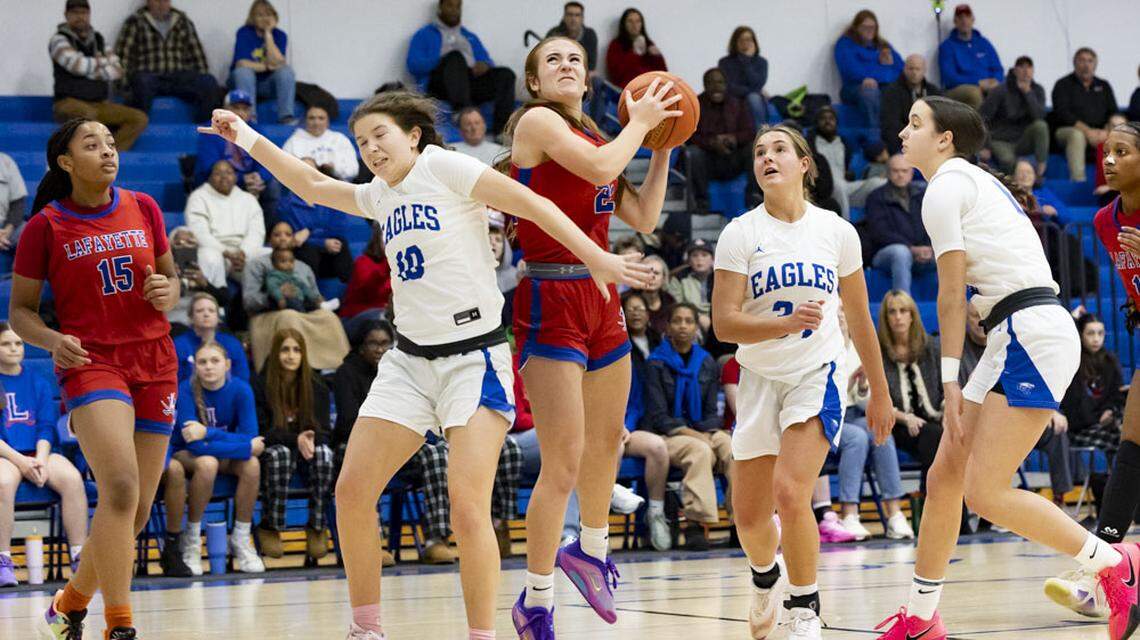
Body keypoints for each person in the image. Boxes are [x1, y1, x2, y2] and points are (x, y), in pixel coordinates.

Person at [199, 86, 647, 639]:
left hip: (473, 360)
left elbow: (535, 205)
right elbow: (311, 183)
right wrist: (243, 135)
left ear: (413, 135)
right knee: (352, 491)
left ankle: (482, 634)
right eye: (361, 142)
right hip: (409, 364)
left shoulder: (446, 167)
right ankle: (367, 628)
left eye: (380, 135)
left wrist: (597, 256)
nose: (370, 150)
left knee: (466, 507)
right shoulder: (379, 195)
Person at [872, 95, 1138, 640]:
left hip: (1029, 332)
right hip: (1016, 330)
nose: (903, 132)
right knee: (944, 474)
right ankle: (922, 616)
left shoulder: (946, 185)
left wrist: (946, 376)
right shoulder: (971, 181)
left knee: (985, 491)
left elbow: (949, 292)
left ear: (945, 138)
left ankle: (1114, 564)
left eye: (915, 123)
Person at [504, 35, 678, 636]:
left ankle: (592, 551)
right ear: (534, 82)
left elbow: (644, 218)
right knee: (563, 461)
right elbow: (604, 169)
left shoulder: (603, 136)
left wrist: (662, 147)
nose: (566, 64)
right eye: (552, 59)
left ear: (587, 77)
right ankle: (536, 597)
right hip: (548, 294)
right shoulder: (536, 125)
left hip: (602, 295)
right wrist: (643, 124)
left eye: (575, 58)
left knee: (608, 439)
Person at [711, 123, 893, 639]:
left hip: (818, 374)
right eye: (760, 152)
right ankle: (765, 577)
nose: (768, 158)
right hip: (759, 378)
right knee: (748, 518)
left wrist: (879, 391)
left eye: (779, 150)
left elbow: (860, 318)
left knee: (791, 492)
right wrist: (783, 324)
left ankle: (805, 609)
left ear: (804, 163)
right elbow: (724, 324)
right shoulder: (740, 233)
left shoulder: (837, 231)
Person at [14, 118, 180, 640]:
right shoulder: (45, 225)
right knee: (121, 487)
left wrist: (169, 292)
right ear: (65, 162)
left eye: (111, 143)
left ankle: (68, 604)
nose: (108, 152)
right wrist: (51, 341)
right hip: (91, 362)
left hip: (156, 359)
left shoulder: (145, 207)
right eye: (92, 145)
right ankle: (119, 625)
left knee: (130, 512)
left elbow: (171, 278)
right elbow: (21, 312)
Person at [1045, 121, 1140, 622]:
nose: (1108, 159)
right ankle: (1103, 570)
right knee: (1130, 447)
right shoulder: (1105, 220)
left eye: (1123, 152)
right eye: (1107, 151)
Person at [165, 341, 264, 575]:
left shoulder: (241, 389)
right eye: (202, 362)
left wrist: (208, 432)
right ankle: (192, 539)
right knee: (208, 464)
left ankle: (240, 538)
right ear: (195, 366)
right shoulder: (186, 390)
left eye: (215, 361)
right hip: (186, 454)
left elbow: (252, 437)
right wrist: (242, 446)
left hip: (216, 449)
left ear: (227, 364)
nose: (209, 367)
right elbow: (195, 445)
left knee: (252, 464)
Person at [0, 324, 87, 587]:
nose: (14, 348)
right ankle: (3, 560)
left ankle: (79, 557)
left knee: (72, 478)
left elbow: (47, 425)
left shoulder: (36, 380)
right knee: (2, 483)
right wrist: (21, 461)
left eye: (18, 343)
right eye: (6, 344)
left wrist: (39, 457)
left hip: (39, 452)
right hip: (7, 454)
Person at [641, 302, 732, 551]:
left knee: (732, 448)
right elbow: (659, 416)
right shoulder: (655, 363)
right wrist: (697, 436)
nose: (683, 326)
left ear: (696, 328)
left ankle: (741, 524)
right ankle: (694, 525)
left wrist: (707, 433)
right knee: (698, 451)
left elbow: (712, 411)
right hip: (666, 436)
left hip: (703, 430)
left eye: (689, 321)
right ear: (668, 327)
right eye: (677, 321)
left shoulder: (706, 362)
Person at [251, 329, 333, 562]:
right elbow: (262, 432)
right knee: (280, 454)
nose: (291, 355)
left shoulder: (317, 385)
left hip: (306, 451)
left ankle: (317, 526)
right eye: (285, 349)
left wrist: (309, 438)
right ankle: (270, 526)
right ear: (276, 352)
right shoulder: (260, 384)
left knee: (325, 454)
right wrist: (294, 439)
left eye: (296, 350)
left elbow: (326, 432)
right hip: (274, 452)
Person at [832, 305, 912, 541]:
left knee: (881, 431)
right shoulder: (822, 350)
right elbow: (822, 397)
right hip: (828, 418)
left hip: (854, 414)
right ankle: (849, 514)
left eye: (842, 311)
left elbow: (863, 403)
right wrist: (848, 384)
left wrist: (864, 385)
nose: (840, 316)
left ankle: (895, 514)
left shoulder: (857, 350)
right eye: (834, 312)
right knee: (857, 437)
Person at [241, 220, 350, 372]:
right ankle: (300, 367)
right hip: (269, 314)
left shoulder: (303, 267)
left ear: (293, 239)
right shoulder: (256, 264)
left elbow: (314, 295)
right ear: (269, 240)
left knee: (328, 316)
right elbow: (249, 300)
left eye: (287, 234)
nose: (282, 238)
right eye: (277, 234)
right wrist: (275, 298)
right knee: (289, 316)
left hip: (302, 310)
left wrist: (317, 301)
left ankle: (334, 368)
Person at [406, 0, 517, 135]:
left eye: (458, 6)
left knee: (506, 74)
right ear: (440, 8)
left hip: (469, 81)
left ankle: (501, 131)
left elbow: (487, 60)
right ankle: (463, 113)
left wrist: (484, 65)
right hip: (440, 84)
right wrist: (441, 60)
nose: (454, 10)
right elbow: (413, 65)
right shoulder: (424, 34)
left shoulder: (469, 36)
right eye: (450, 5)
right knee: (455, 56)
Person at [50, 0, 148, 151]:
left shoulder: (99, 40)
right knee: (88, 115)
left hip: (100, 103)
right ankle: (91, 159)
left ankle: (110, 155)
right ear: (66, 15)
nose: (80, 17)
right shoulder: (58, 40)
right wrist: (103, 65)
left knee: (139, 118)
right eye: (75, 13)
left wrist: (89, 68)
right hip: (68, 102)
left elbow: (117, 69)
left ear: (89, 15)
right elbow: (77, 66)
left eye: (83, 13)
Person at [620, 291, 671, 551]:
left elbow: (636, 400)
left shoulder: (659, 344)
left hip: (633, 427)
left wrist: (626, 426)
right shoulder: (613, 348)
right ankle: (595, 525)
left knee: (658, 447)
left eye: (640, 308)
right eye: (630, 308)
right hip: (603, 429)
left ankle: (656, 513)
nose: (636, 312)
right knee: (608, 447)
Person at [878, 290, 945, 481]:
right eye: (892, 312)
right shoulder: (879, 352)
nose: (898, 317)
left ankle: (936, 503)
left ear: (912, 315)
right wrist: (905, 418)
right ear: (886, 317)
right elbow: (874, 400)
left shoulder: (931, 347)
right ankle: (945, 506)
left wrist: (947, 411)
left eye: (903, 311)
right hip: (898, 424)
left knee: (946, 435)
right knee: (935, 437)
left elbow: (945, 386)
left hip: (935, 420)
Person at [115, 0, 219, 122]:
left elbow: (197, 56)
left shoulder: (183, 22)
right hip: (149, 77)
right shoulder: (135, 22)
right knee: (141, 81)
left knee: (208, 82)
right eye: (157, 1)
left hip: (178, 77)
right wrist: (123, 87)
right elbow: (123, 58)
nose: (161, 4)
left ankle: (204, 129)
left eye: (165, 0)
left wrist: (201, 75)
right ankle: (139, 126)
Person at [193, 91, 276, 213]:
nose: (241, 113)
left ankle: (268, 229)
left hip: (251, 182)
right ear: (225, 109)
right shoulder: (211, 130)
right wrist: (241, 178)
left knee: (272, 187)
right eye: (236, 108)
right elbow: (209, 167)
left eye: (245, 109)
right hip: (222, 180)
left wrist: (259, 177)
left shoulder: (257, 130)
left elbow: (269, 160)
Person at [687, 68, 756, 216]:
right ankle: (702, 202)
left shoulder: (738, 104)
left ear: (726, 84)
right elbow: (690, 135)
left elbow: (750, 132)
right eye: (710, 83)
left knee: (754, 149)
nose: (716, 87)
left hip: (734, 157)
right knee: (692, 153)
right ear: (704, 85)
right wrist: (712, 143)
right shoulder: (696, 105)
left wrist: (733, 139)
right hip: (708, 161)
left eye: (720, 82)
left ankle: (754, 199)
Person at [186, 159, 269, 279]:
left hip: (245, 252)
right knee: (209, 257)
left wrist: (243, 253)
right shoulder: (198, 197)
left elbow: (257, 232)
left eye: (229, 172)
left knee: (269, 256)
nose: (224, 176)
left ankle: (256, 297)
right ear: (209, 177)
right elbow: (199, 232)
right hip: (215, 250)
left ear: (235, 177)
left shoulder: (248, 199)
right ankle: (215, 295)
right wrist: (225, 252)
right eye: (218, 173)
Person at [866, 154, 933, 293]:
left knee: (948, 252)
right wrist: (911, 248)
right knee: (900, 253)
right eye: (895, 171)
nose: (900, 175)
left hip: (921, 251)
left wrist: (929, 248)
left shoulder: (921, 196)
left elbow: (933, 225)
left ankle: (952, 305)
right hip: (886, 253)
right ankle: (902, 305)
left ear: (911, 173)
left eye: (904, 171)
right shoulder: (876, 197)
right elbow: (879, 233)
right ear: (888, 173)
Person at [276, 161, 353, 282]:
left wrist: (308, 231)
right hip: (304, 255)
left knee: (341, 243)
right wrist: (322, 242)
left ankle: (352, 292)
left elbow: (339, 228)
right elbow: (294, 239)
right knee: (307, 250)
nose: (306, 174)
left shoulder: (331, 196)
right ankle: (312, 297)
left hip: (330, 254)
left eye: (310, 170)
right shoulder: (286, 205)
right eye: (302, 169)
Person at [1052, 48, 1119, 182]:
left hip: (1100, 131)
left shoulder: (1103, 85)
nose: (1086, 64)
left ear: (1095, 64)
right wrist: (1088, 131)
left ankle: (1113, 182)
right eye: (1082, 60)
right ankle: (1078, 181)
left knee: (1117, 129)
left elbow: (1113, 111)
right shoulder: (1063, 84)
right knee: (1077, 136)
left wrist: (1106, 131)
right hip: (1068, 131)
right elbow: (1063, 113)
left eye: (1090, 61)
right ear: (1075, 63)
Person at [809, 105, 887, 219]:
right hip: (824, 190)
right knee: (839, 186)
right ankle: (846, 227)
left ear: (836, 122)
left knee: (879, 183)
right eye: (823, 118)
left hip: (846, 187)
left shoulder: (844, 143)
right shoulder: (810, 143)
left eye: (831, 118)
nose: (827, 121)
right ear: (817, 122)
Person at [980, 56, 1048, 176]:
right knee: (1008, 161)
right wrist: (984, 145)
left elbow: (1039, 116)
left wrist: (1028, 93)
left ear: (1033, 71)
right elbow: (982, 117)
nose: (1026, 71)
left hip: (1023, 139)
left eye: (1029, 67)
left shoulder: (1037, 90)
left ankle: (1041, 169)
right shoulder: (1000, 90)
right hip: (1000, 139)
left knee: (1041, 126)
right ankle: (1014, 186)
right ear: (1015, 70)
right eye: (1022, 67)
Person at [834, 9, 903, 127]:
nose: (869, 31)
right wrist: (882, 70)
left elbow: (900, 69)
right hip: (854, 87)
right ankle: (874, 138)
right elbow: (851, 71)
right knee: (870, 92)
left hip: (882, 86)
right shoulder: (845, 44)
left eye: (873, 27)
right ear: (856, 28)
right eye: (865, 27)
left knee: (898, 91)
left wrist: (886, 67)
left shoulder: (883, 45)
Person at [229, 0, 296, 124]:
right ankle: (250, 117)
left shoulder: (280, 35)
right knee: (244, 73)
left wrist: (268, 34)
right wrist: (267, 66)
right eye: (260, 15)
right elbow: (242, 63)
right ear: (253, 17)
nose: (265, 18)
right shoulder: (244, 32)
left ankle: (286, 117)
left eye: (268, 15)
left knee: (286, 72)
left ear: (274, 17)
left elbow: (279, 62)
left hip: (268, 85)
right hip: (243, 84)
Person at [546, 2, 606, 124]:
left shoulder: (589, 34)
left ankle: (593, 126)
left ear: (582, 18)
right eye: (570, 15)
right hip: (559, 76)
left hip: (583, 76)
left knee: (596, 82)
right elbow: (547, 63)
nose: (573, 19)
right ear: (564, 17)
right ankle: (576, 124)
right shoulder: (554, 34)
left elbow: (592, 65)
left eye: (577, 15)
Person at [937, 4, 1002, 110]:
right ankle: (979, 125)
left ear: (972, 20)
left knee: (1005, 90)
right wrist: (978, 82)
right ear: (955, 22)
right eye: (960, 18)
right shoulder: (947, 46)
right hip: (958, 89)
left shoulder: (984, 43)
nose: (964, 21)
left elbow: (998, 68)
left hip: (987, 87)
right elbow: (949, 78)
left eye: (967, 17)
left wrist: (995, 81)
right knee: (973, 93)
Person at [173, 292, 250, 382]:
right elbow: (176, 382)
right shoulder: (178, 345)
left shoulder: (232, 344)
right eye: (200, 311)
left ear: (218, 317)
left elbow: (243, 379)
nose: (206, 314)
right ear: (191, 317)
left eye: (211, 310)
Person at [881, 55, 941, 155]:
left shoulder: (934, 91)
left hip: (930, 139)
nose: (914, 73)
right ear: (904, 69)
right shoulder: (892, 92)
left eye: (918, 69)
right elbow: (891, 124)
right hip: (902, 141)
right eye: (911, 68)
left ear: (924, 70)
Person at [284, 105, 359, 180]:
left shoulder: (339, 139)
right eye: (311, 118)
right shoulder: (293, 142)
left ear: (328, 121)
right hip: (304, 187)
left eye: (321, 118)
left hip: (338, 185)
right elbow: (283, 171)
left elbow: (353, 170)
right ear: (305, 121)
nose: (316, 122)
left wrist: (334, 168)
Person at [337, 223, 391, 325]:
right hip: (354, 317)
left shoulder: (400, 265)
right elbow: (369, 292)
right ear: (378, 239)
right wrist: (389, 262)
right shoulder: (362, 262)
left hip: (385, 314)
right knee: (387, 317)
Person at [719, 26, 770, 128]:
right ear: (735, 42)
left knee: (753, 98)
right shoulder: (725, 62)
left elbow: (758, 83)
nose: (745, 43)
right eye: (741, 40)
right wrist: (752, 90)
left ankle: (761, 132)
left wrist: (746, 61)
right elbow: (729, 85)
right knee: (735, 100)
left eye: (748, 39)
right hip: (732, 95)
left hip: (753, 97)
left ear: (754, 42)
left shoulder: (761, 62)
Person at [605, 7, 667, 89]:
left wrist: (657, 57)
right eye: (630, 21)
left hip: (651, 89)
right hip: (628, 90)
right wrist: (634, 53)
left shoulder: (649, 44)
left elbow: (664, 74)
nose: (634, 25)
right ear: (624, 24)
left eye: (638, 21)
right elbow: (616, 74)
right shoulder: (615, 45)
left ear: (642, 24)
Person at [665, 239, 715, 330]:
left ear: (713, 259)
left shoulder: (721, 278)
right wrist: (698, 318)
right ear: (688, 260)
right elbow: (676, 305)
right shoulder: (679, 278)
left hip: (717, 320)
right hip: (689, 321)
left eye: (704, 255)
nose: (699, 259)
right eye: (694, 255)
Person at [266, 247, 321, 311]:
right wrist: (280, 298)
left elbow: (303, 287)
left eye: (291, 261)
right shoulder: (274, 276)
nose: (288, 264)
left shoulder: (293, 276)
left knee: (311, 304)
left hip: (299, 299)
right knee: (295, 304)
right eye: (283, 261)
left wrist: (314, 298)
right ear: (274, 264)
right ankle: (302, 314)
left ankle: (322, 305)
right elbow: (273, 288)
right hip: (281, 301)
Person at [0, 153, 28, 275]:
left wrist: (8, 229)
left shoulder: (6, 162)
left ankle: (19, 279)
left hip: (6, 227)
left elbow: (18, 204)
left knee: (31, 233)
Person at [639, 253, 677, 336]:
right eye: (647, 272)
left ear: (663, 278)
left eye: (656, 273)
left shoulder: (670, 301)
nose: (652, 276)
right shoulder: (627, 300)